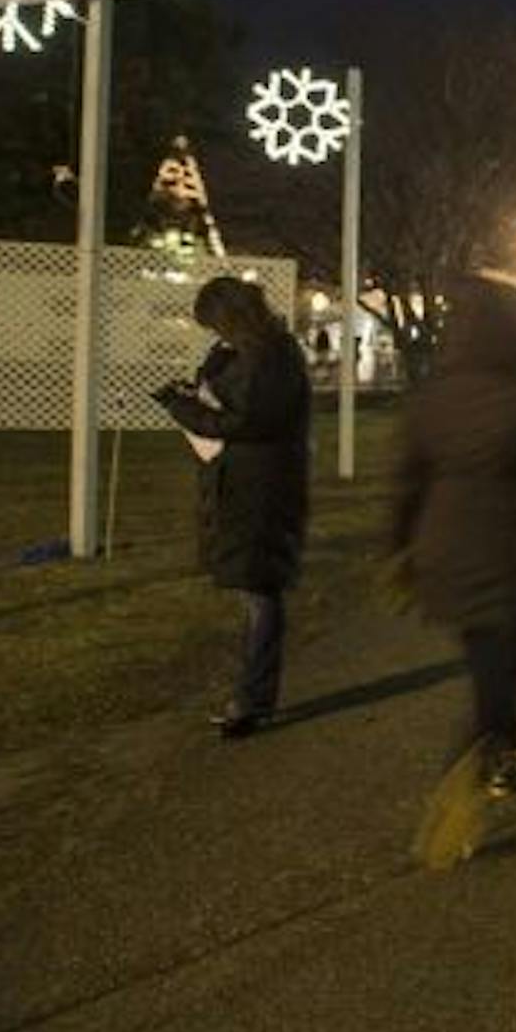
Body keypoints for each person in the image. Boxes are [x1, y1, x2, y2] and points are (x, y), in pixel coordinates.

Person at [396, 276, 516, 869]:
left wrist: (401, 549)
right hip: (514, 550)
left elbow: (407, 481)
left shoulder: (434, 393)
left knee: (486, 664)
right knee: (505, 675)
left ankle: (504, 751)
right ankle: (465, 777)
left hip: (446, 549)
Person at [154, 276, 311, 739]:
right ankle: (252, 694)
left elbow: (244, 419)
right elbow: (233, 403)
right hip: (247, 481)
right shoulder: (257, 352)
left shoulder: (269, 358)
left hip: (260, 486)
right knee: (255, 588)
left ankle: (253, 699)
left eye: (215, 328)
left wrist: (181, 408)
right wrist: (204, 380)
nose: (214, 337)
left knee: (259, 588)